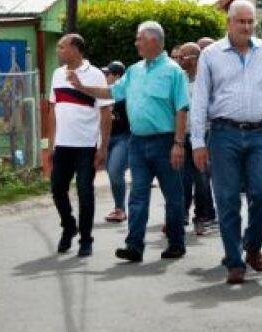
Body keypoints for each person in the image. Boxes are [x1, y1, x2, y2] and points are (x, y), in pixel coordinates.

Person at [69, 21, 191, 263]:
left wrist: (178, 143)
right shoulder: (134, 71)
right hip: (138, 142)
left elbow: (182, 108)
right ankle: (134, 245)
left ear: (154, 40)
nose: (136, 43)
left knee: (173, 196)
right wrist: (82, 87)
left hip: (165, 142)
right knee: (137, 196)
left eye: (139, 39)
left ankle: (176, 243)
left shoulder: (173, 71)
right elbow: (111, 92)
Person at [191, 0, 262, 285]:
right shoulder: (210, 54)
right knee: (227, 199)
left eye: (250, 21)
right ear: (229, 23)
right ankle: (235, 261)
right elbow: (199, 100)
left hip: (259, 134)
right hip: (223, 134)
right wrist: (197, 142)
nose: (246, 27)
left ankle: (252, 245)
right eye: (241, 21)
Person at [47, 34, 112, 257]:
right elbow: (53, 109)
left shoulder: (95, 75)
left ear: (75, 49)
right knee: (57, 189)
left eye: (61, 47)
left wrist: (103, 147)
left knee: (85, 192)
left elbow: (106, 112)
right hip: (62, 145)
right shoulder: (57, 74)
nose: (58, 50)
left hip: (86, 145)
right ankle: (69, 226)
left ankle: (86, 239)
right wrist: (51, 143)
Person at [176, 41, 216, 235]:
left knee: (201, 178)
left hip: (204, 134)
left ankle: (202, 217)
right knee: (183, 178)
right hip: (183, 135)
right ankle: (181, 214)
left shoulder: (207, 79)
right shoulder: (179, 79)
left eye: (182, 57)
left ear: (194, 59)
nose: (178, 60)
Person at [102, 61, 130, 223]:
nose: (105, 77)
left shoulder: (125, 94)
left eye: (108, 74)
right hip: (107, 138)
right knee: (112, 174)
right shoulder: (103, 94)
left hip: (123, 137)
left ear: (118, 76)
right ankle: (118, 206)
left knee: (115, 171)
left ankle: (120, 209)